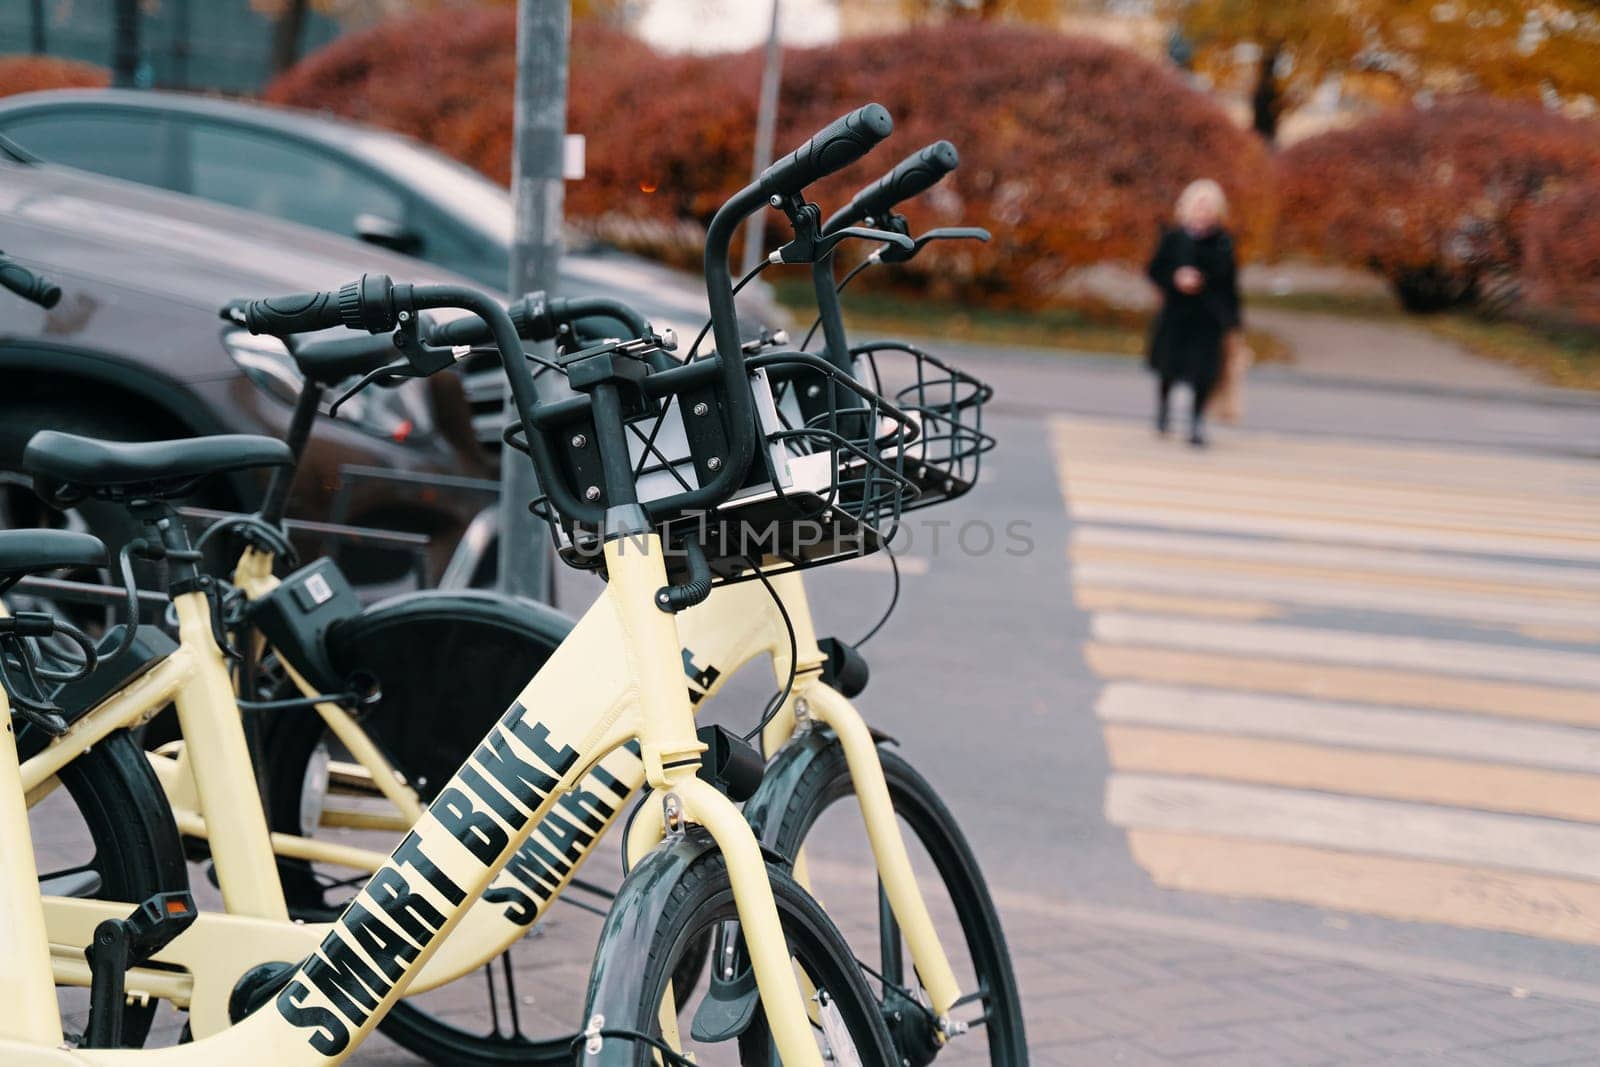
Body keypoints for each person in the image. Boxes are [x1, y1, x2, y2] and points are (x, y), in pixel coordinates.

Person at [1145, 179, 1242, 447]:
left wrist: (1233, 324)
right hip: (1176, 314)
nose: (1203, 211)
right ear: (1187, 207)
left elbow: (1230, 284)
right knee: (1168, 368)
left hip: (1207, 317)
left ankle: (1196, 421)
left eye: (1208, 206)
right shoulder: (1174, 238)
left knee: (1204, 373)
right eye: (1199, 205)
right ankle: (1164, 410)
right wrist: (1176, 278)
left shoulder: (1223, 242)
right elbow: (1155, 270)